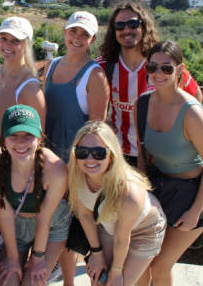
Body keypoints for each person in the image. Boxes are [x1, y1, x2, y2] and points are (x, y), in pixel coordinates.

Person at [134, 41, 203, 286]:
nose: (158, 74)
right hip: (161, 188)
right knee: (141, 260)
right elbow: (143, 155)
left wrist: (195, 212)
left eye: (166, 68)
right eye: (152, 67)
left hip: (194, 194)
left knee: (160, 265)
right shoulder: (141, 105)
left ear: (180, 69)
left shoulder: (192, 113)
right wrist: (142, 194)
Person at [42, 11, 109, 286]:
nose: (77, 38)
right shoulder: (52, 66)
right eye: (73, 32)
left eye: (84, 34)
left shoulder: (94, 75)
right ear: (65, 33)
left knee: (72, 230)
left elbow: (96, 132)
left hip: (73, 166)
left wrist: (75, 170)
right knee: (54, 225)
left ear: (92, 39)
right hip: (47, 163)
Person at [96, 0, 203, 167]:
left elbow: (195, 95)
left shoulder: (160, 64)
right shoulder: (104, 65)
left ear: (143, 27)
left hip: (158, 155)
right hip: (118, 153)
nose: (126, 30)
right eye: (120, 25)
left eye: (133, 24)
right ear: (113, 30)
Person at [68, 121, 166, 286]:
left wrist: (116, 271)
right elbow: (85, 215)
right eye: (82, 152)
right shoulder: (77, 177)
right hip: (109, 225)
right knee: (98, 282)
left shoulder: (129, 193)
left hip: (144, 231)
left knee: (120, 283)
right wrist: (96, 253)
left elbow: (122, 239)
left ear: (112, 155)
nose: (89, 159)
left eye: (99, 152)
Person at [0, 105, 71, 286]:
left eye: (28, 135)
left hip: (52, 226)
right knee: (8, 281)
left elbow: (44, 218)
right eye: (13, 135)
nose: (20, 142)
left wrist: (38, 258)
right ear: (3, 138)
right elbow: (4, 214)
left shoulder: (56, 169)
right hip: (15, 226)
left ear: (39, 138)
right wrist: (12, 258)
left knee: (33, 282)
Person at [0, 17, 46, 160]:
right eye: (3, 38)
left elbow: (39, 141)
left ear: (27, 44)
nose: (8, 45)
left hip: (8, 172)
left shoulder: (30, 88)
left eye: (16, 40)